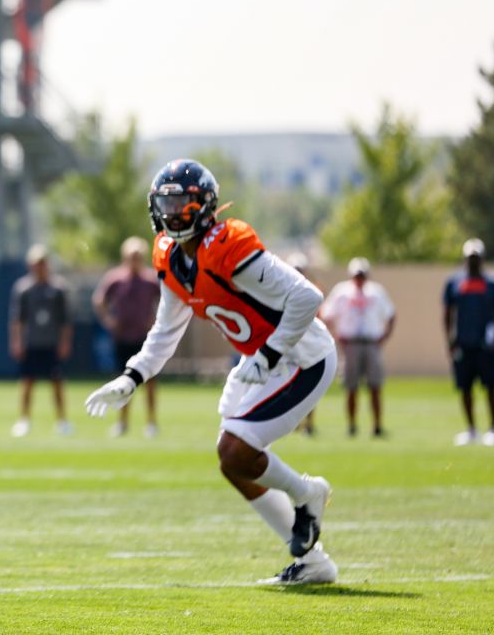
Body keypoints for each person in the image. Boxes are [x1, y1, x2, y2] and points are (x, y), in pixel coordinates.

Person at [85, 159, 339, 585]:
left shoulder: (230, 246)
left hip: (302, 356)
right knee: (234, 461)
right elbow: (165, 331)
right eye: (165, 202)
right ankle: (314, 564)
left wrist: (271, 353)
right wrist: (132, 377)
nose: (172, 212)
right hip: (260, 359)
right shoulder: (169, 255)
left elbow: (307, 298)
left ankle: (306, 493)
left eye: (182, 201)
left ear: (203, 205)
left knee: (236, 449)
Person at [92, 236, 161, 438]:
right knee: (123, 381)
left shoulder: (151, 280)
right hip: (122, 338)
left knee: (150, 382)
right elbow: (99, 300)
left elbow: (167, 301)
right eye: (132, 256)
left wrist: (157, 322)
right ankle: (122, 423)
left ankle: (151, 423)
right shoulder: (115, 278)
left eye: (138, 256)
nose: (135, 260)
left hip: (146, 340)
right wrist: (108, 321)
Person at [320, 257, 396, 438]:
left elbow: (391, 314)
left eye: (362, 275)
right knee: (350, 386)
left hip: (371, 343)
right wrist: (335, 335)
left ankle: (377, 425)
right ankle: (352, 425)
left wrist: (384, 336)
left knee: (375, 385)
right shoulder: (342, 291)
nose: (359, 279)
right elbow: (327, 313)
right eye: (357, 275)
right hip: (351, 344)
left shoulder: (376, 292)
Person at [444, 238, 494, 446]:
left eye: (476, 257)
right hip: (464, 343)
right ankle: (471, 429)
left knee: (491, 387)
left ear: (482, 258)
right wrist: (450, 339)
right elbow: (448, 312)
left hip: (485, 345)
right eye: (470, 257)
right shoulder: (455, 283)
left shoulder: (492, 283)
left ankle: (493, 429)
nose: (473, 261)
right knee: (465, 388)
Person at [10, 244, 74, 437]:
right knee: (27, 382)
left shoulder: (58, 288)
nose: (40, 267)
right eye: (36, 264)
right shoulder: (23, 289)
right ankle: (24, 420)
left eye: (43, 263)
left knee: (56, 382)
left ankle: (62, 421)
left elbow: (65, 321)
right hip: (31, 343)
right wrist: (17, 342)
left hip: (51, 343)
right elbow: (17, 320)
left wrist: (64, 342)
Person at [286, 252, 318, 437]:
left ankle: (309, 423)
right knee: (289, 384)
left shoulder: (312, 290)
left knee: (310, 384)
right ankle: (293, 423)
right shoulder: (284, 289)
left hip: (307, 342)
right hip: (290, 343)